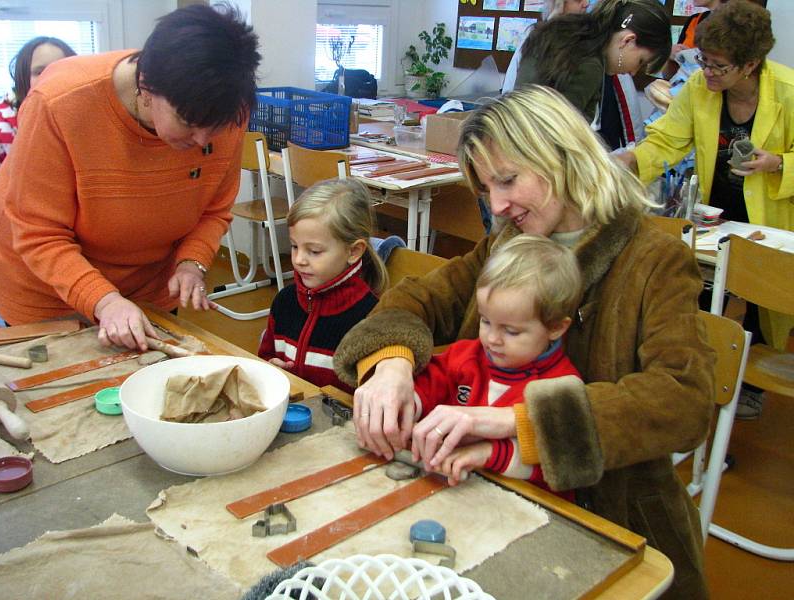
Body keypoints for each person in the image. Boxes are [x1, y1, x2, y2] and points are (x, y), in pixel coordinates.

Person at [334, 86, 715, 598]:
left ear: (562, 156)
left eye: (508, 181)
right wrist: (393, 368)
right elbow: (417, 300)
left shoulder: (654, 260)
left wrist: (512, 419)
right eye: (486, 189)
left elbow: (682, 399)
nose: (497, 205)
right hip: (485, 489)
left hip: (613, 516)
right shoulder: (507, 244)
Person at [0, 4, 260, 352]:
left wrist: (191, 263)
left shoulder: (226, 107)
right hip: (47, 293)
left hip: (148, 287)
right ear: (146, 88)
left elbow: (214, 209)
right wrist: (103, 300)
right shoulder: (60, 103)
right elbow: (39, 233)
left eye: (217, 128)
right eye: (188, 123)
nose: (203, 141)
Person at [617, 0, 793, 419]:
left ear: (749, 65)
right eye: (703, 61)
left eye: (717, 66)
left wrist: (779, 163)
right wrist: (630, 160)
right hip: (719, 215)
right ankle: (691, 379)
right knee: (695, 290)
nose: (706, 73)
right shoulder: (700, 88)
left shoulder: (787, 91)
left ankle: (746, 383)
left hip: (770, 219)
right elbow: (667, 141)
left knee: (759, 304)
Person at [410, 234, 582, 496]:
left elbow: (557, 467)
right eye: (485, 321)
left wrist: (488, 455)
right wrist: (407, 404)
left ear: (557, 327)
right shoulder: (468, 355)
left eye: (511, 331)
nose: (492, 339)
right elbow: (430, 381)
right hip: (461, 494)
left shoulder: (560, 388)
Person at [258, 178, 387, 393]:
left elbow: (375, 394)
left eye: (314, 251)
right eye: (294, 246)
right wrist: (270, 367)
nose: (299, 259)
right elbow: (265, 355)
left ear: (353, 251)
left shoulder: (372, 318)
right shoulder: (284, 301)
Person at [514, 0, 670, 125]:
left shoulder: (568, 33)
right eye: (640, 61)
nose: (634, 72)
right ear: (628, 40)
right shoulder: (589, 64)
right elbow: (561, 135)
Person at [0, 36, 76, 175]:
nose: (52, 77)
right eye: (40, 72)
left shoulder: (82, 115)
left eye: (61, 69)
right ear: (23, 77)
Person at [501, 0, 590, 94]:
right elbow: (511, 89)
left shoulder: (586, 40)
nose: (586, 4)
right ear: (558, 4)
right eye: (578, 0)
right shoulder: (536, 38)